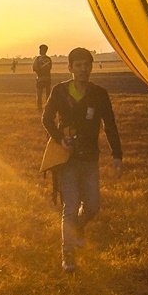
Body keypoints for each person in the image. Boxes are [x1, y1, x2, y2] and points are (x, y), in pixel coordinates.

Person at [41, 47, 123, 273]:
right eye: (78, 65)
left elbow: (110, 125)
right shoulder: (59, 91)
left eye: (86, 64)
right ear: (70, 68)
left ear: (91, 67)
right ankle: (67, 252)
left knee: (93, 206)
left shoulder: (99, 94)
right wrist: (59, 139)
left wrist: (117, 155)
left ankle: (77, 227)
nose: (83, 69)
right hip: (67, 158)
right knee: (70, 205)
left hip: (90, 159)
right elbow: (46, 119)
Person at [32, 44, 53, 111]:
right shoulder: (49, 59)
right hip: (48, 78)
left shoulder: (38, 59)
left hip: (40, 78)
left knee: (39, 95)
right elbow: (50, 68)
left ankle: (39, 108)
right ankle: (48, 108)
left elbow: (34, 68)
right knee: (48, 95)